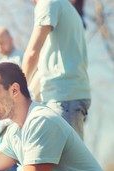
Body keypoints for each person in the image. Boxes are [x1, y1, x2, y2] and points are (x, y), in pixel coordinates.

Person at [22, 0, 90, 139]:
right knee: (66, 158)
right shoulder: (65, 6)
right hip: (69, 95)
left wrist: (18, 87)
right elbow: (45, 65)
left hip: (63, 97)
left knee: (66, 160)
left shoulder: (48, 3)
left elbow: (32, 54)